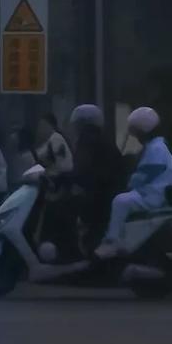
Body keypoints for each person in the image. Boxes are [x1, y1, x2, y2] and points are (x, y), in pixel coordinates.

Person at [94, 108, 172, 258]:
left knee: (120, 201)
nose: (136, 136)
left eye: (137, 132)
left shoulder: (156, 148)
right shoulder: (156, 146)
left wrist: (130, 182)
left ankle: (112, 240)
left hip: (152, 195)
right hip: (152, 193)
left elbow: (147, 173)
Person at [66, 104, 127, 255]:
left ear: (81, 123)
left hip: (99, 196)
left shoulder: (87, 140)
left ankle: (83, 257)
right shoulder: (101, 138)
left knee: (65, 210)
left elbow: (81, 169)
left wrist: (62, 178)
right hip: (107, 193)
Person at [33, 112, 73, 180]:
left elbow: (64, 165)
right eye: (40, 126)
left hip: (57, 181)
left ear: (50, 126)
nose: (40, 129)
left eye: (43, 125)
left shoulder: (56, 138)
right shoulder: (47, 141)